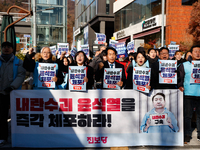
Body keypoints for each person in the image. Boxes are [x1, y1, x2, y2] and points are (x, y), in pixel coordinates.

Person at [0, 42, 26, 145]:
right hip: (1, 93)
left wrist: (12, 87)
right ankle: (2, 137)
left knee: (16, 116)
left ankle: (16, 136)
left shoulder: (18, 62)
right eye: (4, 47)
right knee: (2, 116)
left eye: (8, 47)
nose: (6, 49)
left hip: (14, 92)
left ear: (12, 49)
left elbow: (21, 75)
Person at [178, 45, 200, 143]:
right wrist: (180, 86)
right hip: (188, 94)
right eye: (195, 51)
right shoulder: (184, 65)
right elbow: (180, 77)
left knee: (199, 116)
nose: (198, 53)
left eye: (199, 51)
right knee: (188, 116)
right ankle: (187, 134)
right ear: (191, 53)